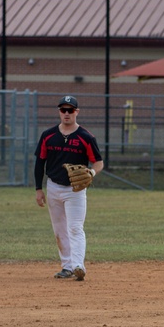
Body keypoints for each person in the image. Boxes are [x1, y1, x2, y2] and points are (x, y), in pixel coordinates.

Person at [34, 95, 104, 281]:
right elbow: (40, 162)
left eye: (70, 110)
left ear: (76, 112)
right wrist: (38, 189)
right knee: (59, 229)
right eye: (63, 110)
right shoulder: (48, 135)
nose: (66, 113)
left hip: (75, 190)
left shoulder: (86, 137)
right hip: (53, 186)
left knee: (75, 227)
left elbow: (98, 162)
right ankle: (66, 267)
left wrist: (92, 173)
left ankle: (78, 265)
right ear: (59, 112)